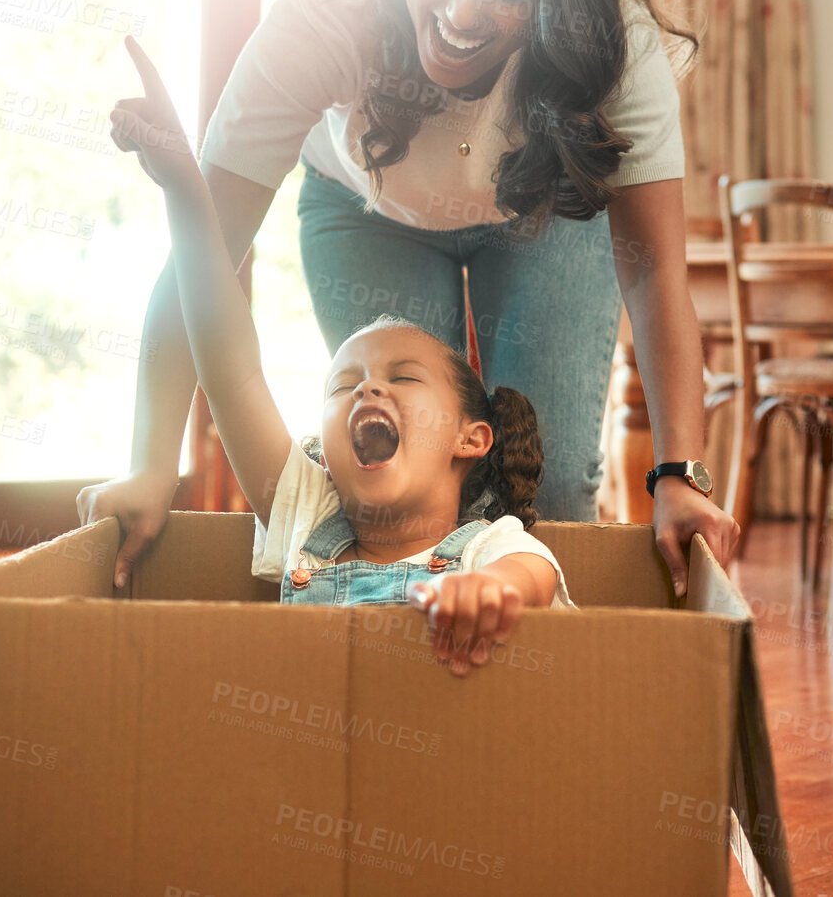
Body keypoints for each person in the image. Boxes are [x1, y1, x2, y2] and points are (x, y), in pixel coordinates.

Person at [80, 0, 736, 598]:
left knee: (551, 486)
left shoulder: (614, 44)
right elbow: (206, 251)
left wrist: (681, 474)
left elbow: (656, 275)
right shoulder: (335, 2)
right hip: (363, 212)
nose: (462, 14)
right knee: (397, 484)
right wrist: (151, 464)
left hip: (542, 216)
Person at [113, 42, 574, 676]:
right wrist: (184, 188)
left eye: (402, 377)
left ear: (472, 437)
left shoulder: (492, 546)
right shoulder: (306, 510)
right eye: (344, 384)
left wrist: (490, 593)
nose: (365, 392)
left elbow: (532, 578)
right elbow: (229, 364)